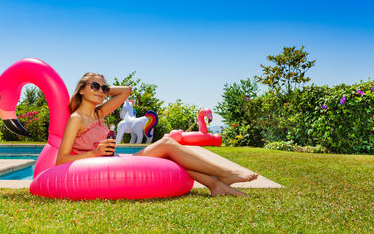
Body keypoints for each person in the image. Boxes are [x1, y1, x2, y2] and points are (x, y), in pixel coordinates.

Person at [56, 73, 258, 197]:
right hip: (96, 167)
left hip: (115, 161)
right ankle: (223, 173)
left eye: (104, 88)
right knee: (168, 144)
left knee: (170, 149)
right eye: (94, 86)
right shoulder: (77, 119)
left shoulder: (99, 113)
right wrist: (94, 153)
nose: (101, 91)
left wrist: (101, 88)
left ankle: (215, 185)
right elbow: (61, 160)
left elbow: (126, 91)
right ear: (81, 90)